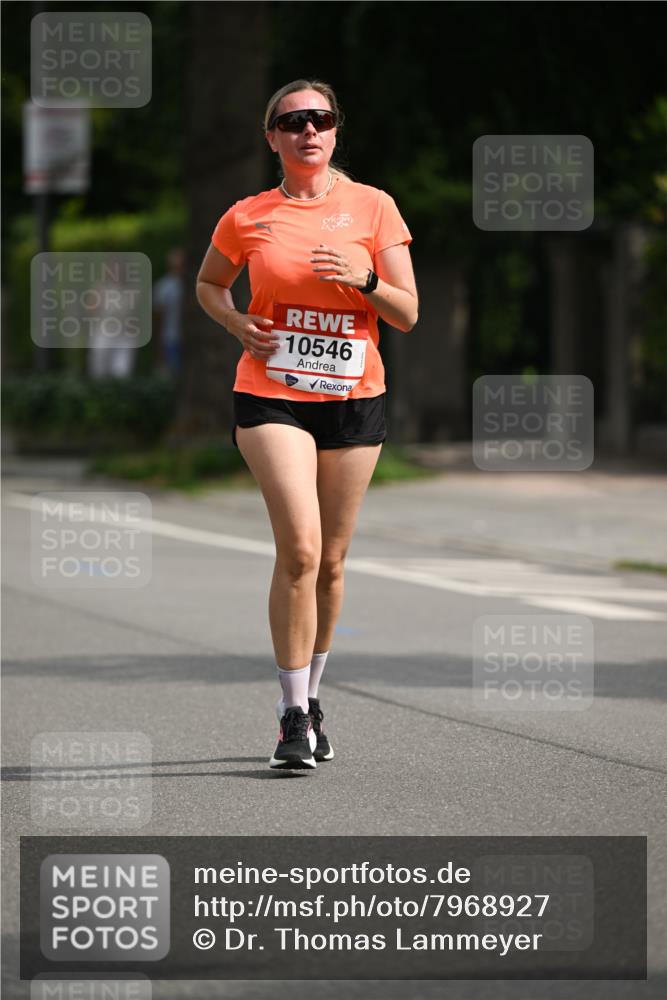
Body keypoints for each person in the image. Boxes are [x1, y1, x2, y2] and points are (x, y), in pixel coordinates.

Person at [195, 79, 418, 770]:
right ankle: (292, 717)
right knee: (298, 549)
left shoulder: (373, 208)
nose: (307, 131)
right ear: (273, 138)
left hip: (354, 396)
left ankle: (313, 701)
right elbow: (209, 284)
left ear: (335, 131)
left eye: (320, 119)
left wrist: (363, 278)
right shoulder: (246, 216)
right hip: (272, 396)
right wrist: (238, 323)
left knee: (331, 561)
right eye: (292, 122)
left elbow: (406, 313)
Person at [153, 248, 185, 375]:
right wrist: (159, 345)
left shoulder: (194, 285)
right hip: (170, 338)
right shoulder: (164, 287)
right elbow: (158, 317)